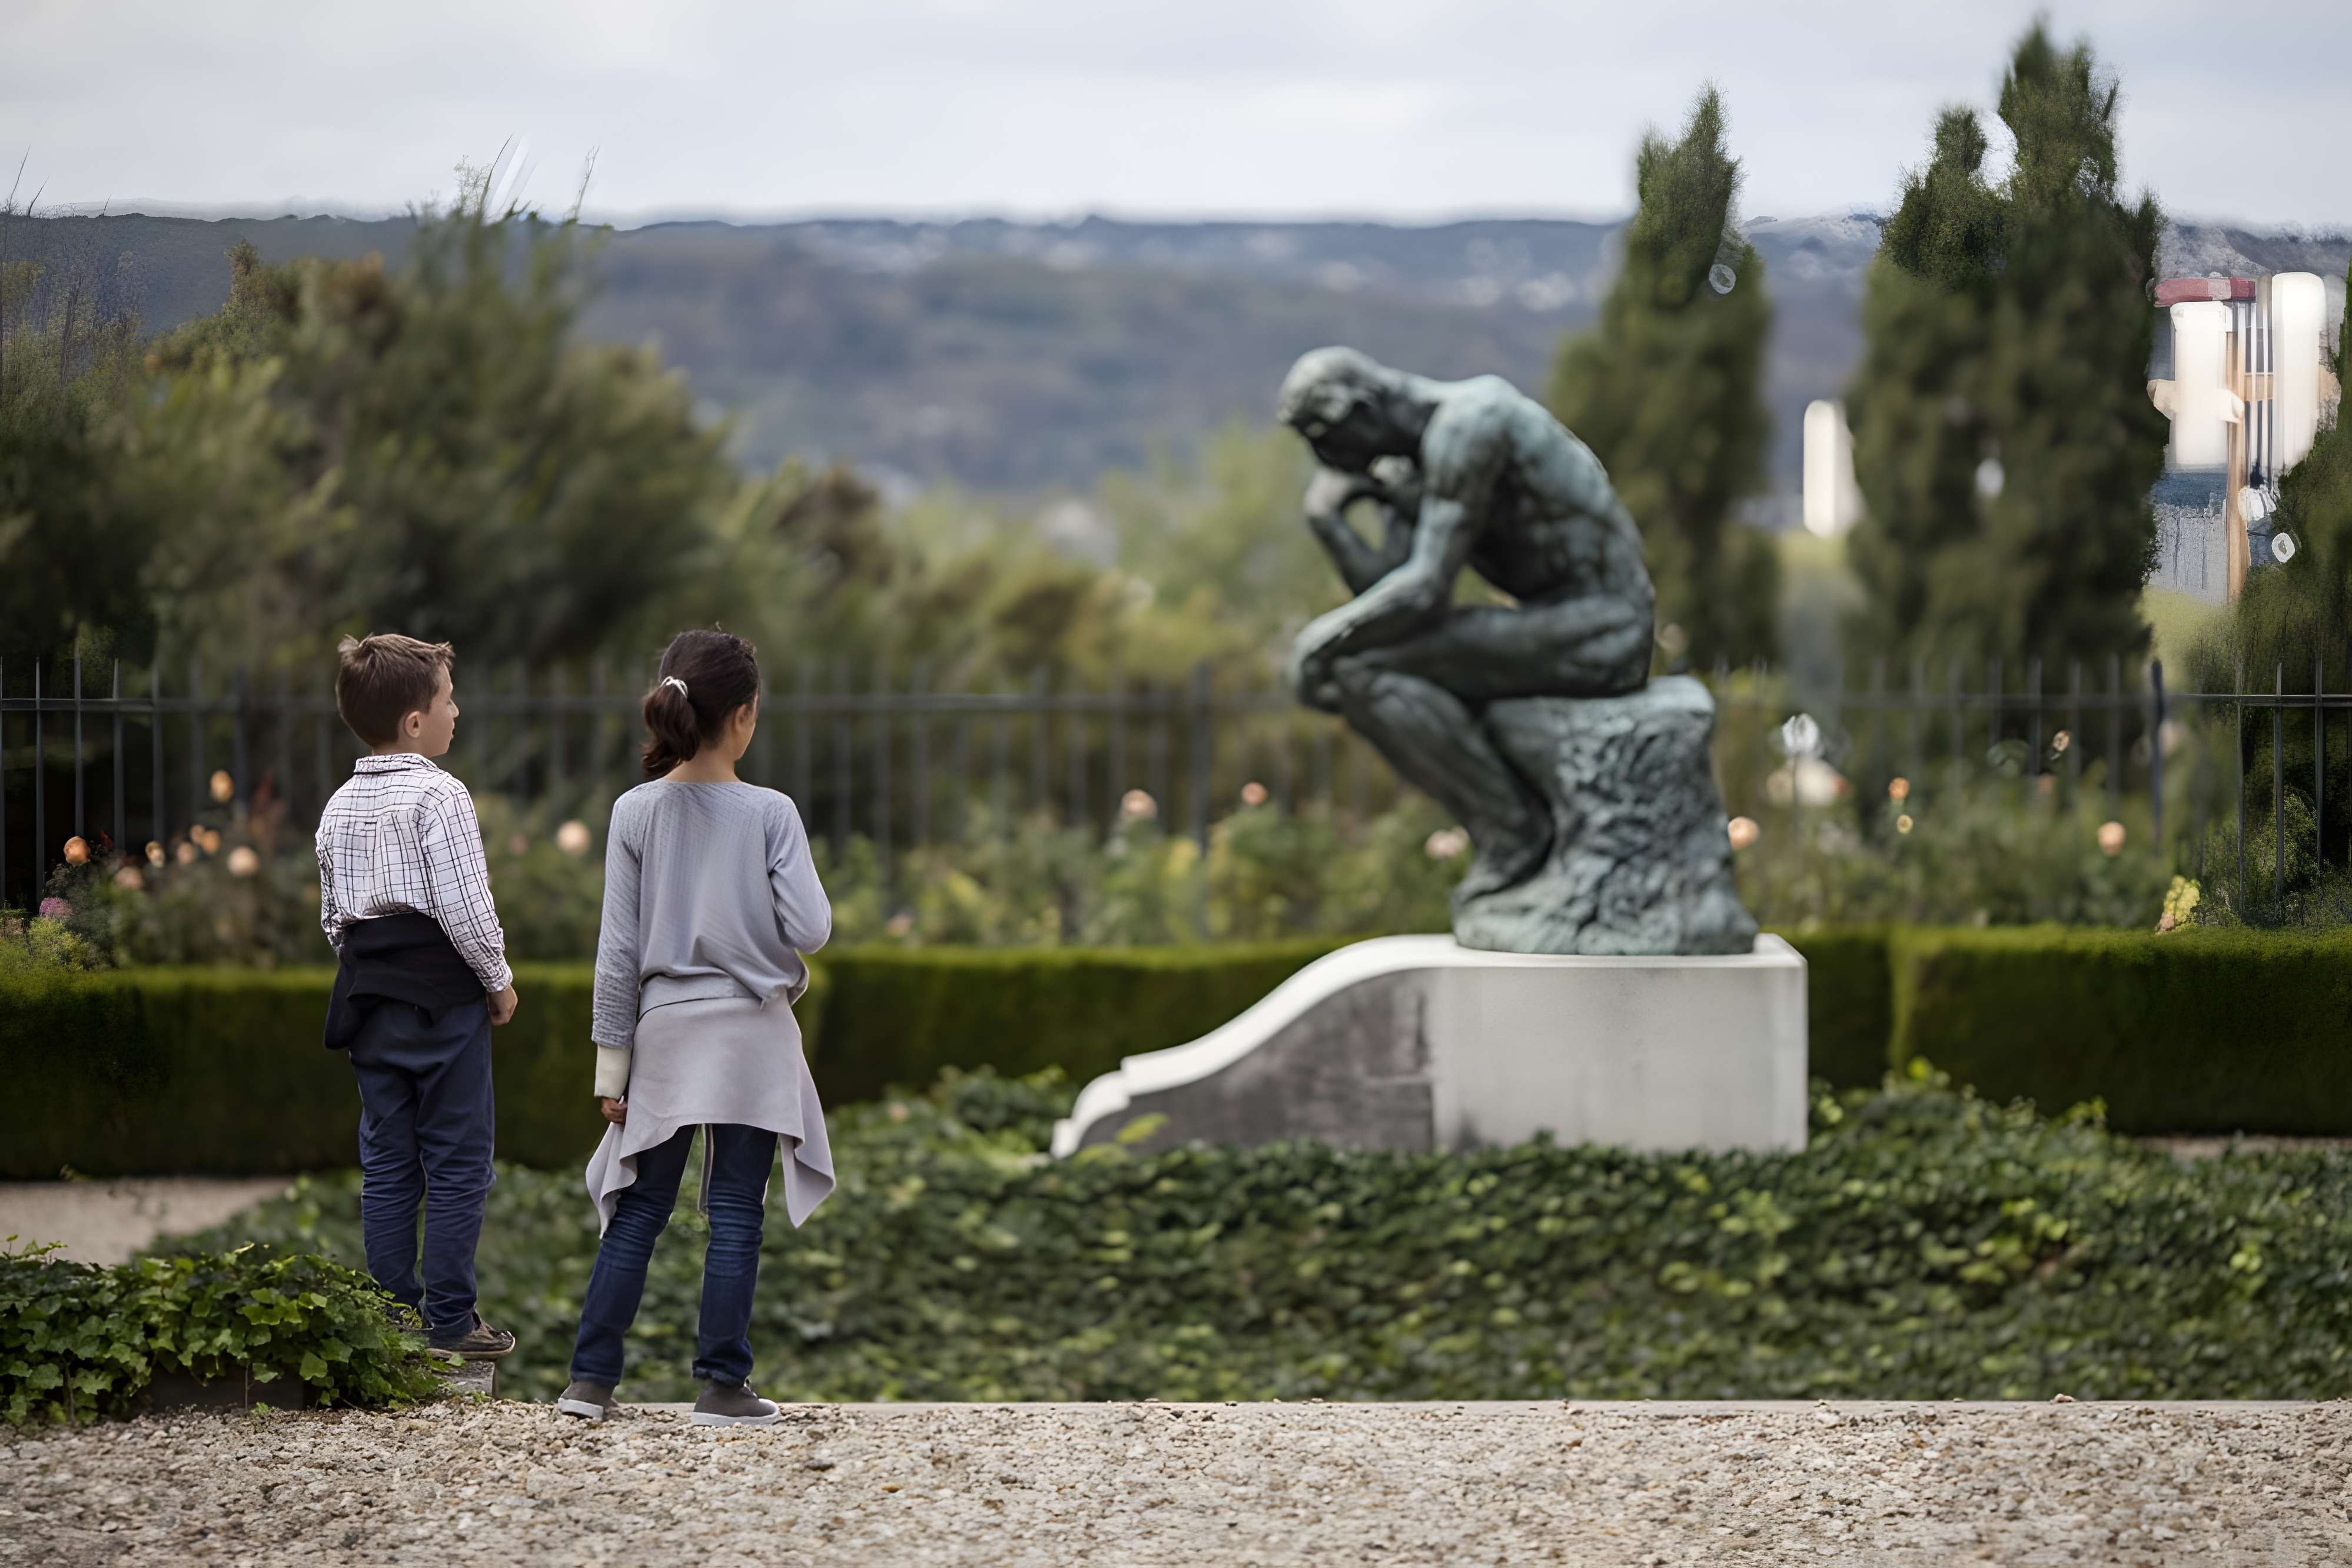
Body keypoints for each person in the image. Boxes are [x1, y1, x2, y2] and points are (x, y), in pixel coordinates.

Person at [558, 629, 835, 1427]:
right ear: (744, 717)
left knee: (640, 1210)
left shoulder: (634, 811)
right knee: (737, 1212)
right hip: (752, 1036)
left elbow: (617, 952)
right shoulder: (771, 813)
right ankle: (721, 1386)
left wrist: (612, 1071)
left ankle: (589, 1383)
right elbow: (811, 927)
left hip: (667, 1035)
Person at [1275, 346, 1657, 901]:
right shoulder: (1409, 461)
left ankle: (1515, 834)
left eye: (1325, 443)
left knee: (1354, 669)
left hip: (1605, 627)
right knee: (1359, 665)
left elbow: (1425, 592)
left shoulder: (1471, 423)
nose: (1329, 463)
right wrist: (1329, 524)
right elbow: (1390, 595)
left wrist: (1316, 645)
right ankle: (1511, 828)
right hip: (1550, 622)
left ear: (1359, 413)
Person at [316, 633, 519, 1361]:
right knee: (460, 1161)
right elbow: (466, 907)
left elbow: (334, 918)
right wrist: (496, 981)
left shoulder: (339, 805)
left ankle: (391, 1319)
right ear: (414, 722)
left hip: (369, 1001)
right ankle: (453, 1322)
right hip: (444, 998)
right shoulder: (441, 793)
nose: (455, 711)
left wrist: (372, 974)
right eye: (447, 701)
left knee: (389, 1162)